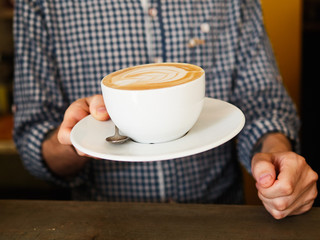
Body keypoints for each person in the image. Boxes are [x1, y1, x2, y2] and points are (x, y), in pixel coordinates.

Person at [13, 0, 317, 219]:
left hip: (216, 219)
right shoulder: (42, 5)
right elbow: (33, 139)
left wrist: (275, 157)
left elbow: (261, 103)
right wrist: (76, 139)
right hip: (106, 222)